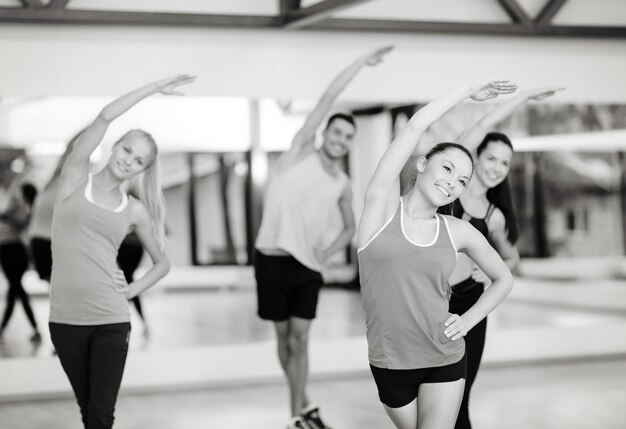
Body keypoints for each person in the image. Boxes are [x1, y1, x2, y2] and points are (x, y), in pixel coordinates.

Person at [357, 79, 516, 429]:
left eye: (462, 180)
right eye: (447, 168)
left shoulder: (456, 230)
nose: (452, 183)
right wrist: (467, 92)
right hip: (390, 363)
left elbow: (503, 278)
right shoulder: (381, 210)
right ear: (421, 164)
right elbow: (416, 126)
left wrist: (469, 320)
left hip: (444, 355)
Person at [254, 45, 393, 429]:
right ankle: (303, 404)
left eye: (349, 136)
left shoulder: (344, 184)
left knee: (300, 340)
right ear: (324, 133)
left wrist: (328, 250)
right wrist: (361, 63)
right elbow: (329, 96)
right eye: (337, 131)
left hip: (308, 267)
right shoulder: (298, 152)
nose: (341, 139)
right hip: (271, 260)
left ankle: (296, 413)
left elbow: (351, 227)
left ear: (349, 143)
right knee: (285, 342)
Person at [48, 75, 193, 429]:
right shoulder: (74, 179)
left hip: (111, 319)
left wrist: (131, 290)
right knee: (89, 412)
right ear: (114, 147)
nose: (130, 161)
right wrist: (154, 88)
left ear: (143, 170)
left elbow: (162, 264)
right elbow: (104, 116)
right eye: (127, 150)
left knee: (100, 416)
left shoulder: (134, 210)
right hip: (64, 321)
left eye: (139, 160)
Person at [446, 87, 562, 429]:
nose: (497, 168)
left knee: (460, 397)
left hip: (470, 305)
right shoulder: (450, 188)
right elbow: (483, 123)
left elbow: (512, 261)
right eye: (491, 158)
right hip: (432, 300)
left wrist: (488, 273)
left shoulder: (495, 216)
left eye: (505, 163)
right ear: (476, 156)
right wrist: (523, 98)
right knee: (431, 394)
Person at [29, 130, 83, 283]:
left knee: (59, 284)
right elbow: (68, 148)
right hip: (45, 240)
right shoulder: (54, 182)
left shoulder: (72, 189)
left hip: (48, 241)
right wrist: (90, 127)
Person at [0, 180, 42, 343]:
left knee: (16, 290)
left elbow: (20, 224)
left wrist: (7, 217)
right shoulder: (16, 206)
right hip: (8, 250)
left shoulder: (25, 209)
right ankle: (33, 328)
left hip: (13, 251)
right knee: (15, 291)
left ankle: (34, 328)